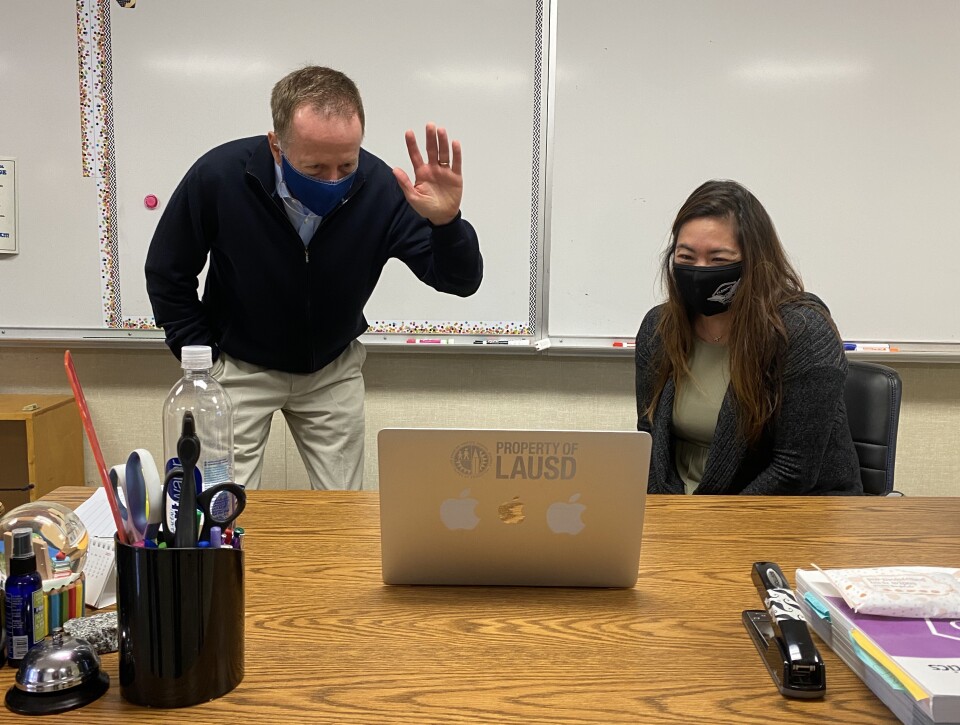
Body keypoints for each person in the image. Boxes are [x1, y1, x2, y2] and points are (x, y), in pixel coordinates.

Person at [145, 66, 482, 490]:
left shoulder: (380, 187)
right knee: (220, 506)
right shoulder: (221, 175)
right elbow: (167, 269)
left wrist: (447, 222)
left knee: (344, 508)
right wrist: (201, 356)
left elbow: (459, 280)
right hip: (239, 365)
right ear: (276, 144)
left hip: (331, 369)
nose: (334, 180)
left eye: (346, 163)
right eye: (315, 166)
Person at [634, 180, 862, 495]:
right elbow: (649, 439)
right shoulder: (659, 329)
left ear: (755, 261)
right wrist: (663, 518)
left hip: (783, 514)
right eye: (686, 257)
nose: (700, 271)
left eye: (719, 260)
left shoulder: (802, 332)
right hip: (683, 515)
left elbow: (793, 470)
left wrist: (708, 527)